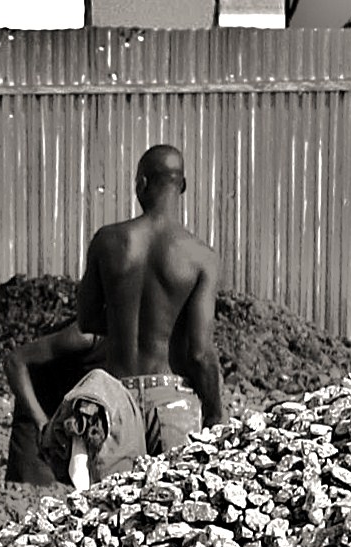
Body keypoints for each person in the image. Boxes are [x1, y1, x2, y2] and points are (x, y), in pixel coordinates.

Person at [50, 145, 225, 483]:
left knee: (112, 518)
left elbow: (86, 320)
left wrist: (124, 325)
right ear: (183, 187)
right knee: (176, 517)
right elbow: (200, 351)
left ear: (141, 183)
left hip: (116, 399)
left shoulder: (108, 241)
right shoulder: (201, 256)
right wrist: (216, 412)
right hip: (173, 401)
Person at [2, 321, 103, 487]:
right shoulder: (85, 335)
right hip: (39, 421)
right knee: (38, 498)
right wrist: (42, 423)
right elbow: (14, 362)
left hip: (68, 428)